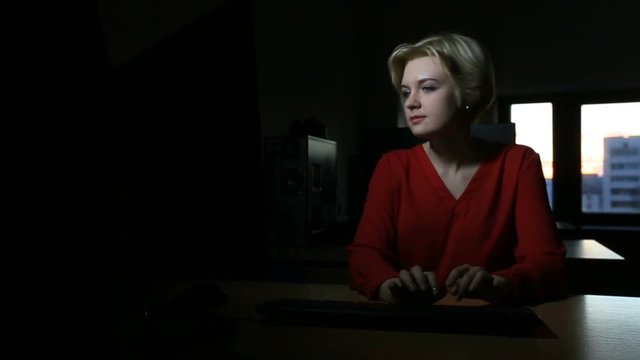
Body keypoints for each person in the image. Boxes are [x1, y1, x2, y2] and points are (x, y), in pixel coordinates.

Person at [347, 33, 566, 305]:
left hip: (494, 329)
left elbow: (547, 261)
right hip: (410, 326)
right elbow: (365, 254)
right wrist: (391, 286)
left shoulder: (519, 163)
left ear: (468, 92)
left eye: (427, 88)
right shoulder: (393, 167)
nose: (410, 102)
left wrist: (500, 284)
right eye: (405, 92)